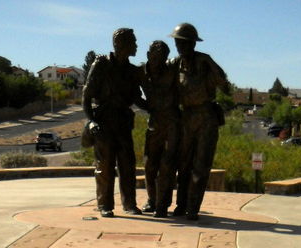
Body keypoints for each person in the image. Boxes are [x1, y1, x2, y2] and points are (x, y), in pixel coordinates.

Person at [170, 23, 229, 221]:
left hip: (206, 117)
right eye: (178, 43)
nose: (181, 47)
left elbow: (225, 85)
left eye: (185, 43)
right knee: (183, 163)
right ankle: (181, 204)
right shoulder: (174, 64)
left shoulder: (204, 63)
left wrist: (210, 63)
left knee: (201, 164)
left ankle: (193, 207)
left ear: (193, 44)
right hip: (185, 117)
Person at [82, 28, 144, 217]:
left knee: (128, 164)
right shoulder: (102, 64)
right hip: (104, 120)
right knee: (105, 165)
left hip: (123, 121)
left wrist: (159, 109)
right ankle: (105, 205)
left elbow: (137, 99)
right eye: (133, 42)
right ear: (120, 45)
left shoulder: (133, 71)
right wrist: (91, 121)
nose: (136, 46)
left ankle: (130, 204)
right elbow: (87, 95)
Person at [140, 41, 180, 217]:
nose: (159, 62)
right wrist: (148, 107)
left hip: (172, 122)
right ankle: (152, 200)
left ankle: (163, 204)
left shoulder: (172, 71)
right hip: (154, 123)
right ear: (149, 56)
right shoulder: (140, 73)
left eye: (163, 58)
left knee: (167, 164)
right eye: (156, 58)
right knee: (149, 165)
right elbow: (131, 94)